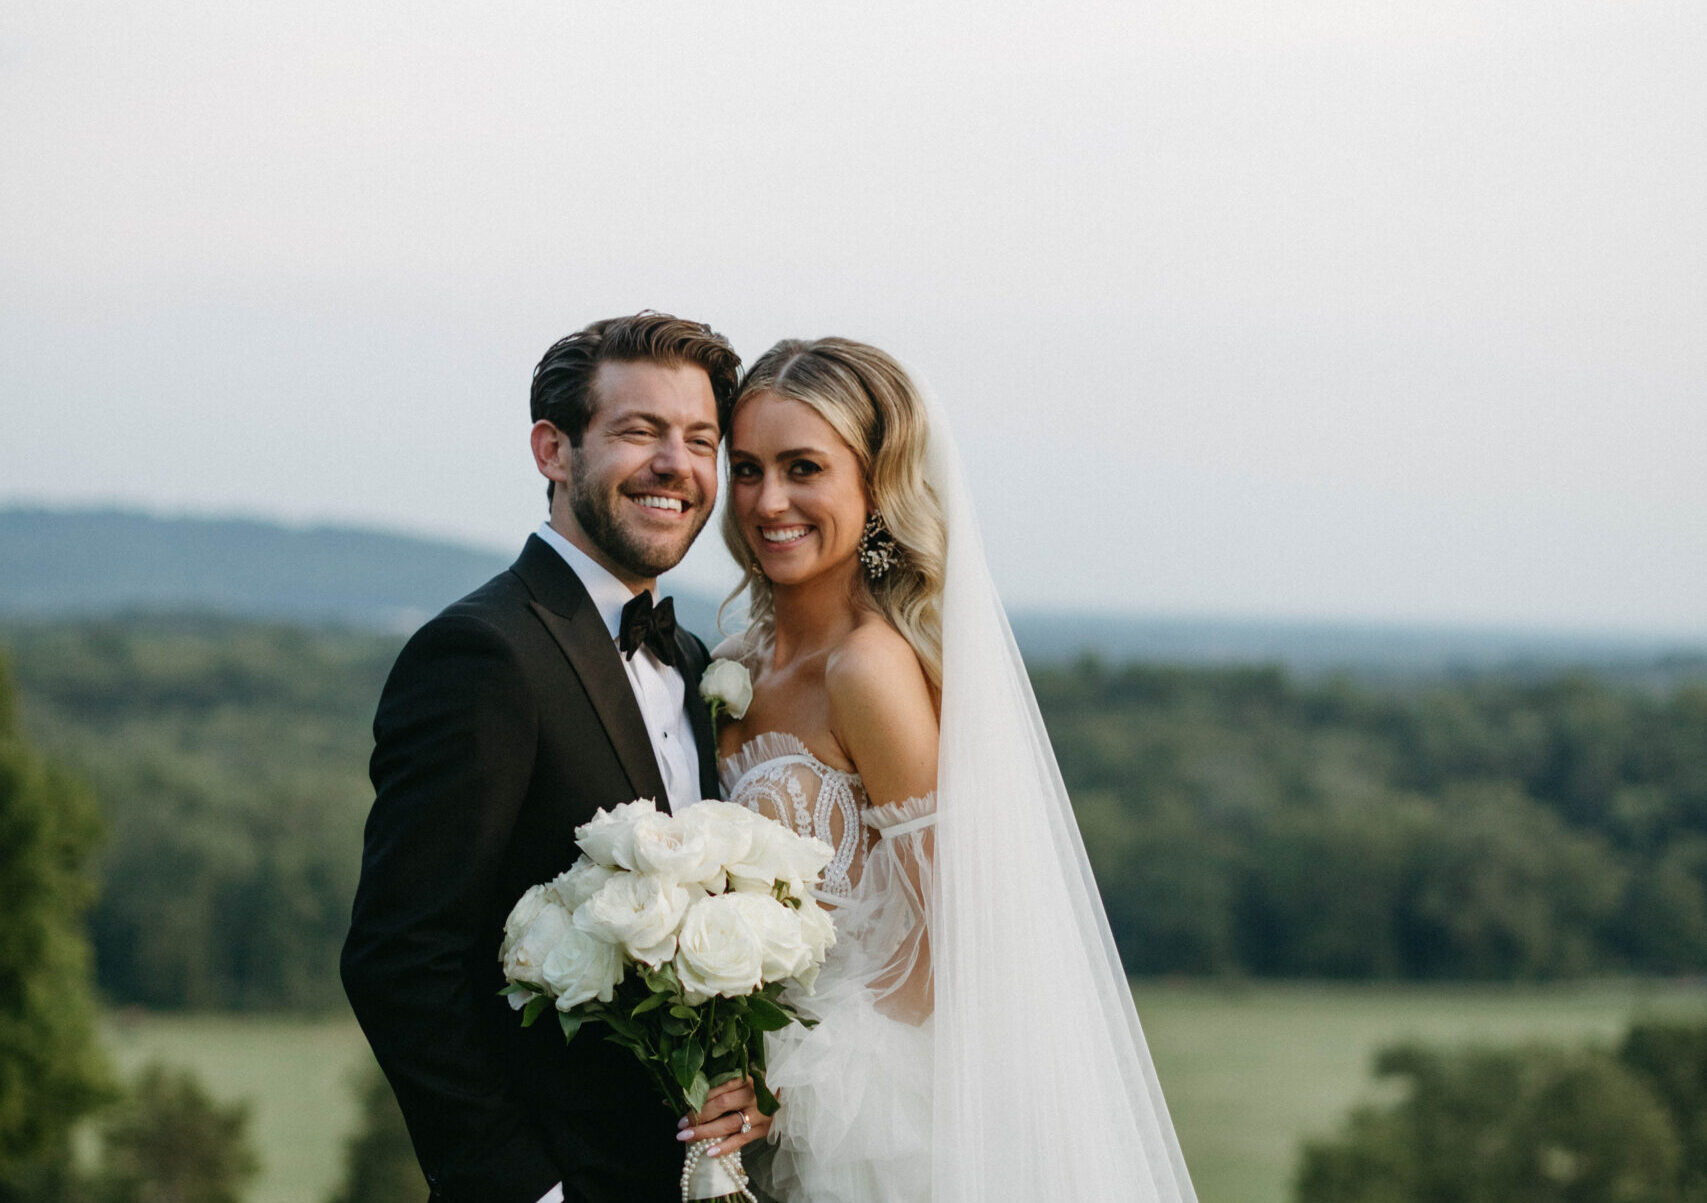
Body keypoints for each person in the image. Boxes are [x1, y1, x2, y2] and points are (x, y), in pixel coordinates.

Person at [688, 338, 1198, 1201]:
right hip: (756, 1102)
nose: (767, 500)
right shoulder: (737, 661)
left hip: (871, 1120)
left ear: (875, 483)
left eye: (802, 467)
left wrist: (789, 1082)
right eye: (746, 468)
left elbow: (954, 933)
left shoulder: (867, 668)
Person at [341, 311, 766, 1203]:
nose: (676, 466)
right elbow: (400, 957)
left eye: (699, 439)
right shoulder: (481, 653)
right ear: (553, 450)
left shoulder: (695, 664)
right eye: (638, 431)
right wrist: (526, 1190)